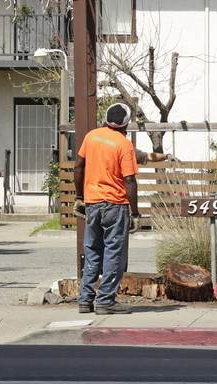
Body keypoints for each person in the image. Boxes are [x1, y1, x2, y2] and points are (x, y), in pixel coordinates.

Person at [73, 101, 141, 315]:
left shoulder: (91, 136)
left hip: (92, 203)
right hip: (115, 205)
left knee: (92, 250)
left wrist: (79, 197)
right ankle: (105, 301)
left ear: (106, 119)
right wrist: (135, 212)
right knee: (114, 253)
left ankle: (85, 300)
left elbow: (78, 167)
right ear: (126, 124)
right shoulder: (123, 144)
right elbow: (129, 180)